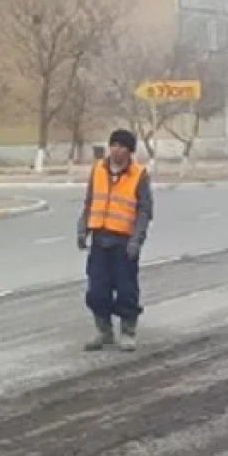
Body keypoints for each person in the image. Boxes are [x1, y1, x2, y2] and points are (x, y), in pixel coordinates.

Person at [77, 128, 154, 352]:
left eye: (122, 146)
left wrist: (136, 240)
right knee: (96, 291)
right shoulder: (98, 170)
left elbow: (145, 211)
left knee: (126, 289)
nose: (117, 150)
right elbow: (89, 202)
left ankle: (128, 331)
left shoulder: (139, 175)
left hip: (124, 243)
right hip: (100, 240)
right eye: (114, 145)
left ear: (130, 151)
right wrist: (83, 230)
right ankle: (104, 331)